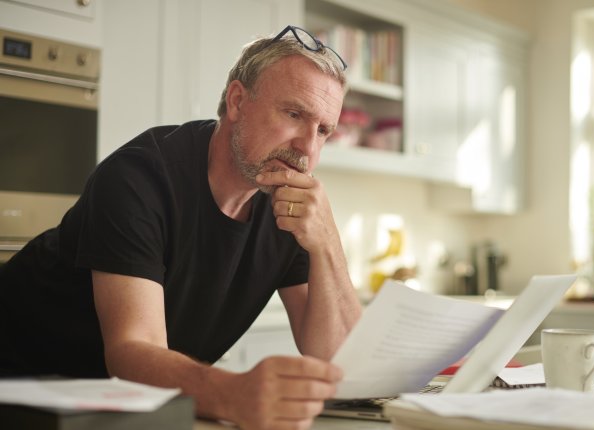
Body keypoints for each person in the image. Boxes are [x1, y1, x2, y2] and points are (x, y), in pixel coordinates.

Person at [0, 25, 362, 429]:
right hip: (20, 383)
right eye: (295, 115)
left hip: (122, 408)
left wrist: (327, 243)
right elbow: (132, 351)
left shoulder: (289, 203)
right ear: (238, 101)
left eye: (324, 130)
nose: (308, 149)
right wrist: (232, 392)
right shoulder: (139, 177)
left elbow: (342, 365)